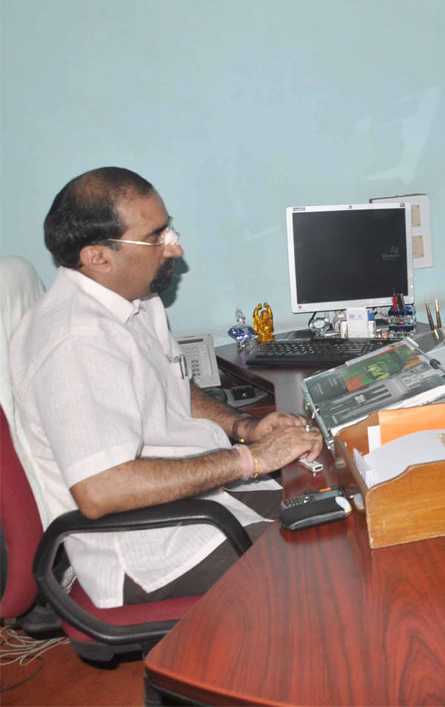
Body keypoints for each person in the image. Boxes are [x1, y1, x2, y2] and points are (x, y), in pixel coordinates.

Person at [9, 167, 323, 609]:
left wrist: (244, 429)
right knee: (326, 565)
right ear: (98, 256)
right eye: (156, 237)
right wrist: (252, 459)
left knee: (332, 503)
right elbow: (103, 490)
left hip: (196, 498)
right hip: (149, 549)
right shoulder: (75, 342)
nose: (175, 247)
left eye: (168, 228)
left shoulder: (137, 300)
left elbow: (173, 384)